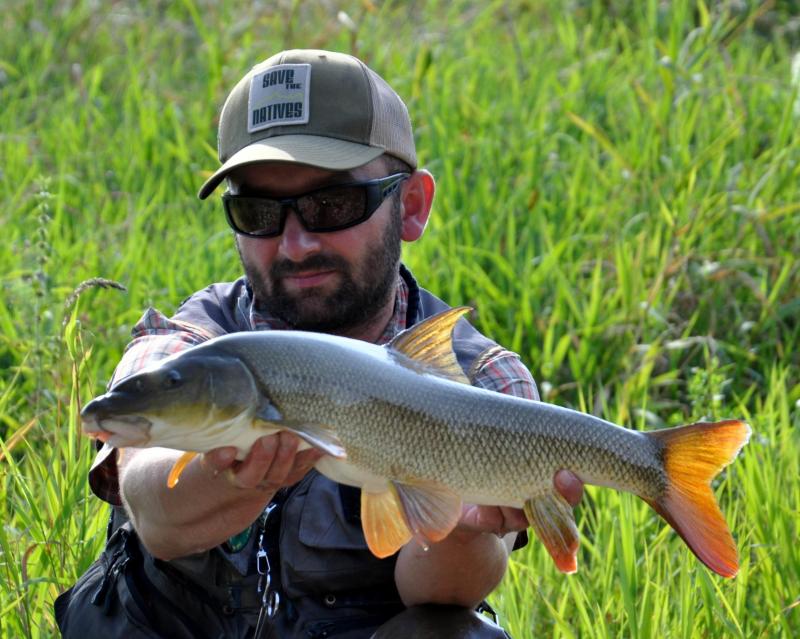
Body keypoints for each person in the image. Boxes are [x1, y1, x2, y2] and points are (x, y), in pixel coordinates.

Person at [55, 49, 583, 639]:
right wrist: (233, 477)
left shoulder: (480, 379)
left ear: (411, 206)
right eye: (258, 211)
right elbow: (153, 511)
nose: (296, 243)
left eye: (332, 205)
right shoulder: (197, 340)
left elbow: (440, 597)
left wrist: (460, 528)